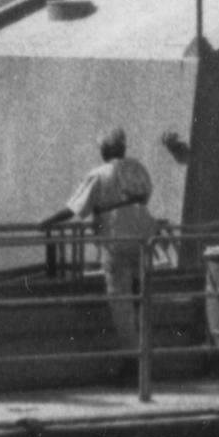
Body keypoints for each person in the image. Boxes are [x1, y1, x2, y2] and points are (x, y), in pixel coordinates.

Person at [55, 127, 154, 311]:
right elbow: (146, 194)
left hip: (117, 235)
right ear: (123, 148)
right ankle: (145, 335)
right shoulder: (138, 168)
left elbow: (74, 208)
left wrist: (46, 223)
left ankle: (130, 339)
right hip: (143, 231)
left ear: (104, 150)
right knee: (141, 288)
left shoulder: (99, 174)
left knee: (118, 295)